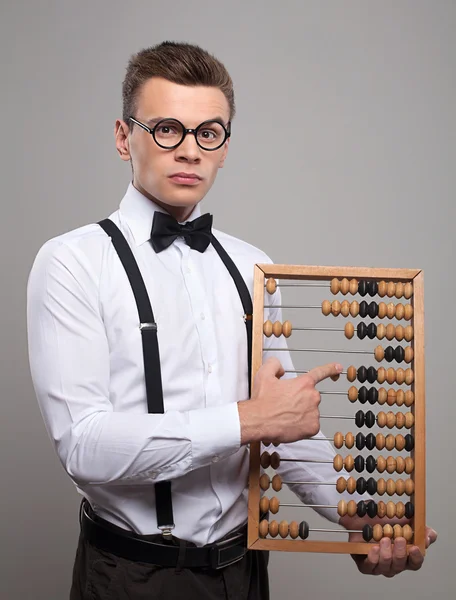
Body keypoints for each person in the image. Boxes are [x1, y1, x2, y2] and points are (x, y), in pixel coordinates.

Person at [26, 41, 436, 600]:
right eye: (167, 129)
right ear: (124, 138)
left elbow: (283, 432)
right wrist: (247, 419)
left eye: (208, 132)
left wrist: (360, 520)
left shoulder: (252, 265)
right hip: (133, 575)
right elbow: (85, 445)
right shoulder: (71, 262)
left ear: (224, 147)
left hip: (245, 572)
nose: (190, 151)